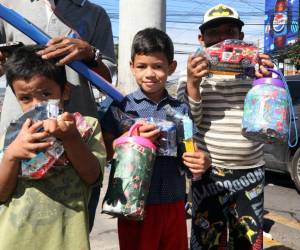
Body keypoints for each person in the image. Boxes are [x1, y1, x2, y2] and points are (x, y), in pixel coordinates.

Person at [0, 0, 116, 231]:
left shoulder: (95, 14)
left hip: (77, 134)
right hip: (19, 133)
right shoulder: (7, 7)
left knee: (73, 221)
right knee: (14, 215)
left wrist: (89, 54)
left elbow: (107, 80)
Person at [101, 27, 211, 250]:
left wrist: (202, 161)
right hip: (132, 203)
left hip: (173, 202)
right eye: (142, 66)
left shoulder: (181, 109)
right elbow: (105, 152)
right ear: (132, 66)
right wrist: (129, 141)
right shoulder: (121, 107)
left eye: (158, 66)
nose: (149, 73)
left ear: (171, 67)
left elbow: (191, 149)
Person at [177, 4, 274, 250]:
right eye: (213, 33)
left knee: (248, 243)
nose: (222, 39)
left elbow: (268, 118)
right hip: (209, 172)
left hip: (251, 170)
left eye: (230, 31)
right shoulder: (189, 76)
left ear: (241, 37)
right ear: (201, 39)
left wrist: (268, 79)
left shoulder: (257, 70)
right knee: (207, 241)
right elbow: (190, 122)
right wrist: (192, 83)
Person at [0, 45, 106, 250]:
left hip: (67, 242)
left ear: (65, 92)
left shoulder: (85, 127)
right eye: (25, 98)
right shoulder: (12, 135)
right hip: (14, 240)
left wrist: (71, 138)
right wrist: (12, 155)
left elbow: (93, 177)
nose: (36, 105)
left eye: (46, 94)